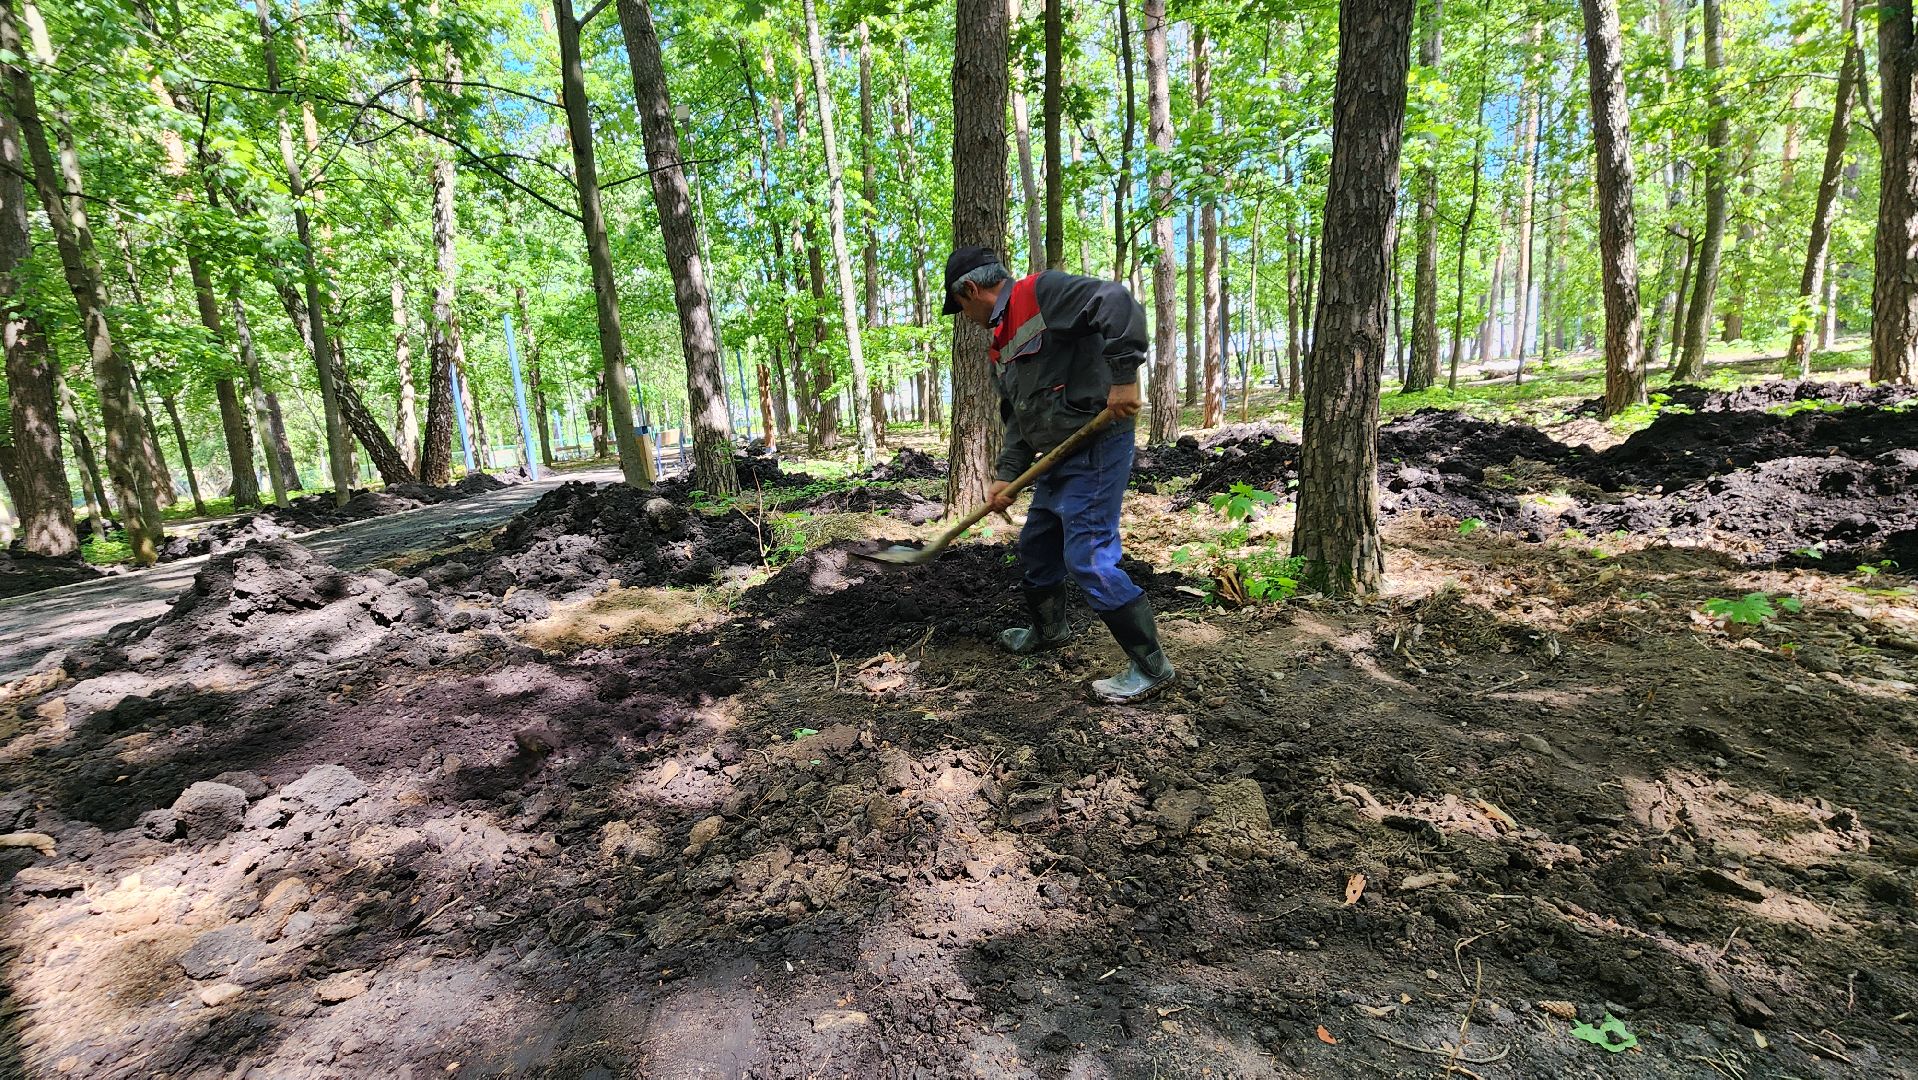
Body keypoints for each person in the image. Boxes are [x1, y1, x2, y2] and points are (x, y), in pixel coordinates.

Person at [942, 245, 1175, 704]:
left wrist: (1124, 376)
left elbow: (1116, 302)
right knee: (1037, 544)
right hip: (1056, 455)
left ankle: (1151, 665)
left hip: (1097, 444)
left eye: (961, 307)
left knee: (1088, 554)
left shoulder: (1042, 293)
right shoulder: (1000, 345)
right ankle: (1050, 630)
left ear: (971, 289)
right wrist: (1007, 475)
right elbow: (1018, 421)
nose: (964, 317)